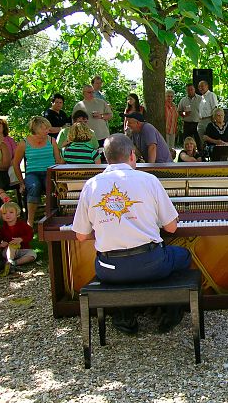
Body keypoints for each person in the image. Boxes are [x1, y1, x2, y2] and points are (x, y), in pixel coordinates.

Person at [72, 134, 191, 334]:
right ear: (132, 155)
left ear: (106, 158)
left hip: (109, 269)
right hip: (151, 264)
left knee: (115, 266)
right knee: (184, 256)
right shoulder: (149, 180)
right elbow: (171, 228)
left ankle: (124, 314)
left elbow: (81, 236)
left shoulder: (91, 185)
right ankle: (170, 309)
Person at [13, 116, 64, 226]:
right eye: (44, 128)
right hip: (33, 173)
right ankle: (30, 222)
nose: (48, 131)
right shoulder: (24, 143)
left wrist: (67, 152)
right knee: (34, 186)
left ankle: (49, 217)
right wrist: (21, 182)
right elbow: (15, 164)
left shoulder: (51, 140)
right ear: (36, 129)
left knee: (49, 185)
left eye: (48, 128)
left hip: (49, 171)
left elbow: (58, 160)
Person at [0, 201, 37, 277]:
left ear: (17, 213)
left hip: (23, 250)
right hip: (8, 251)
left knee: (32, 255)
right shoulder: (2, 229)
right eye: (4, 213)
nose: (8, 215)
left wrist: (21, 239)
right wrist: (0, 245)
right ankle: (9, 260)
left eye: (11, 212)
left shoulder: (23, 225)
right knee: (11, 246)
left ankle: (12, 263)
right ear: (1, 215)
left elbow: (30, 234)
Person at [177, 84, 202, 151]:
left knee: (199, 141)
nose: (190, 91)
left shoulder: (201, 99)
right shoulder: (183, 100)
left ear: (194, 90)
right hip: (187, 124)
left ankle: (200, 156)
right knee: (187, 142)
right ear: (186, 91)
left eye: (191, 89)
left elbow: (205, 110)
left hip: (198, 123)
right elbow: (179, 112)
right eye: (188, 90)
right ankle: (186, 156)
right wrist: (185, 113)